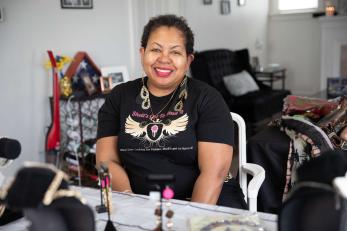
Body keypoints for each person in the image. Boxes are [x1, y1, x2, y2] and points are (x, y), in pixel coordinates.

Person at [96, 14, 246, 208]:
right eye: (155, 49)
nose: (164, 59)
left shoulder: (207, 98)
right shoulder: (120, 97)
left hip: (210, 197)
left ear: (188, 59)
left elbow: (214, 173)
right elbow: (106, 161)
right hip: (138, 198)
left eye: (175, 52)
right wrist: (130, 203)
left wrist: (191, 218)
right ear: (142, 53)